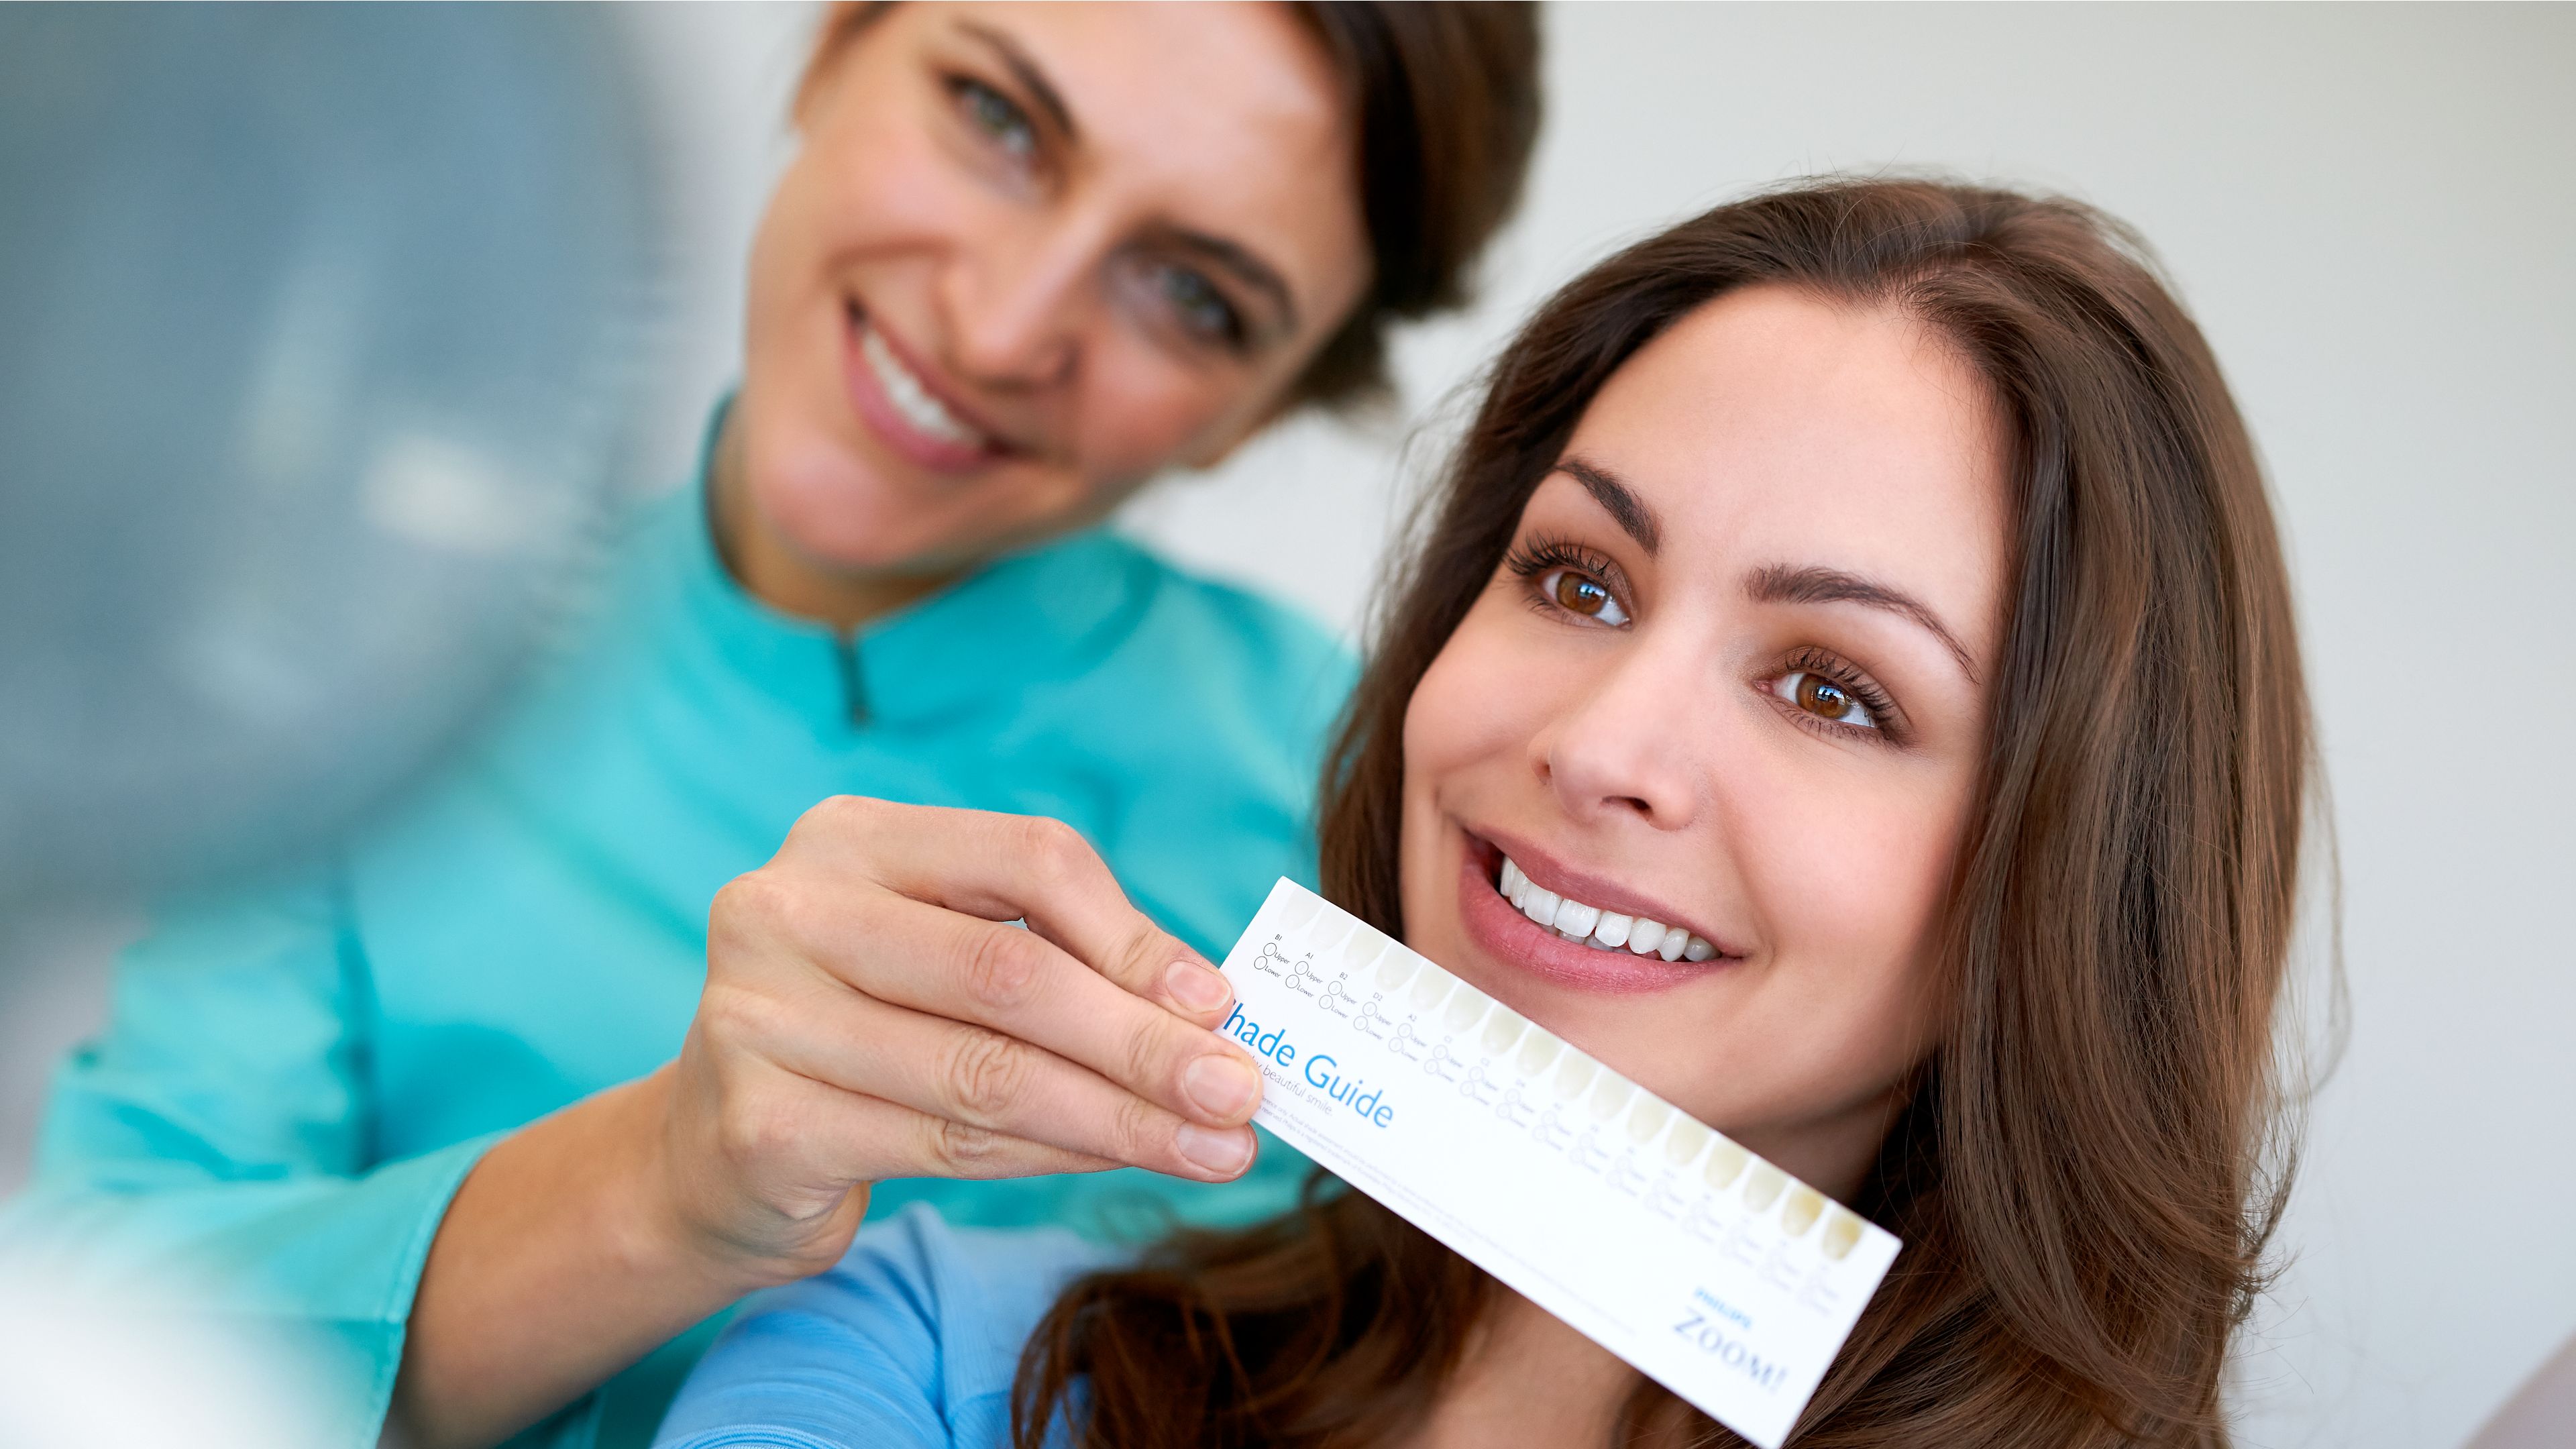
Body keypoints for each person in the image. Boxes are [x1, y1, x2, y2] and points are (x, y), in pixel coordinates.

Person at [0, 5, 1541, 1448]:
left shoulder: (1400, 836)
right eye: (998, 118)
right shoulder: (345, 648)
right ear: (832, 46)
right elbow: (105, 1321)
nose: (1003, 327)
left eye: (1194, 297)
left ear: (1260, 406)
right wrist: (666, 1188)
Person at [651, 176, 2318, 1449]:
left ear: (2081, 888)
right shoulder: (934, 1356)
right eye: (1577, 579)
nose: (1601, 745)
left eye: (1832, 687)